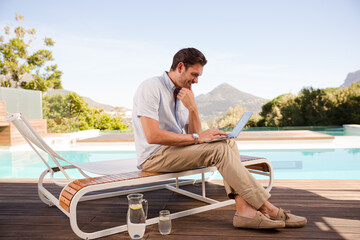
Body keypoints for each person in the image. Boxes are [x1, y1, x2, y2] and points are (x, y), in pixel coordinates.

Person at [132, 47, 307, 229]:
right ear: (180, 67)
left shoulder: (185, 92)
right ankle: (267, 208)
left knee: (227, 142)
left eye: (199, 76)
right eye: (194, 74)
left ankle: (244, 211)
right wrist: (198, 138)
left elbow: (193, 130)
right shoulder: (151, 87)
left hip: (174, 151)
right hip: (154, 156)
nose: (196, 81)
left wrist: (193, 108)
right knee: (220, 149)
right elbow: (152, 136)